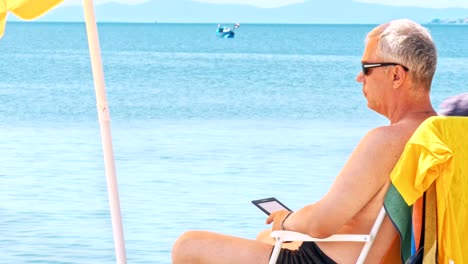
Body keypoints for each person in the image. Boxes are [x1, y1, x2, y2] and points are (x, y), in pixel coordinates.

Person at [172, 19, 438, 264]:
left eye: (366, 68)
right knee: (266, 238)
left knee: (188, 245)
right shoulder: (439, 137)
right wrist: (292, 225)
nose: (359, 77)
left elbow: (323, 222)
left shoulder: (386, 140)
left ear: (396, 76)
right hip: (354, 252)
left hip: (321, 261)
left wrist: (287, 220)